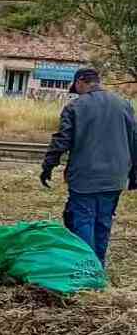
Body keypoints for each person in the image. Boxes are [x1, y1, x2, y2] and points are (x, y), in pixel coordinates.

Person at [40, 67, 137, 265]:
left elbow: (62, 141)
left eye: (76, 87)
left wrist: (48, 166)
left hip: (85, 176)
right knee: (103, 221)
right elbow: (134, 140)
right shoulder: (124, 105)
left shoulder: (74, 107)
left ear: (80, 81)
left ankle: (86, 269)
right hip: (115, 176)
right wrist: (134, 175)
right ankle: (98, 266)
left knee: (82, 220)